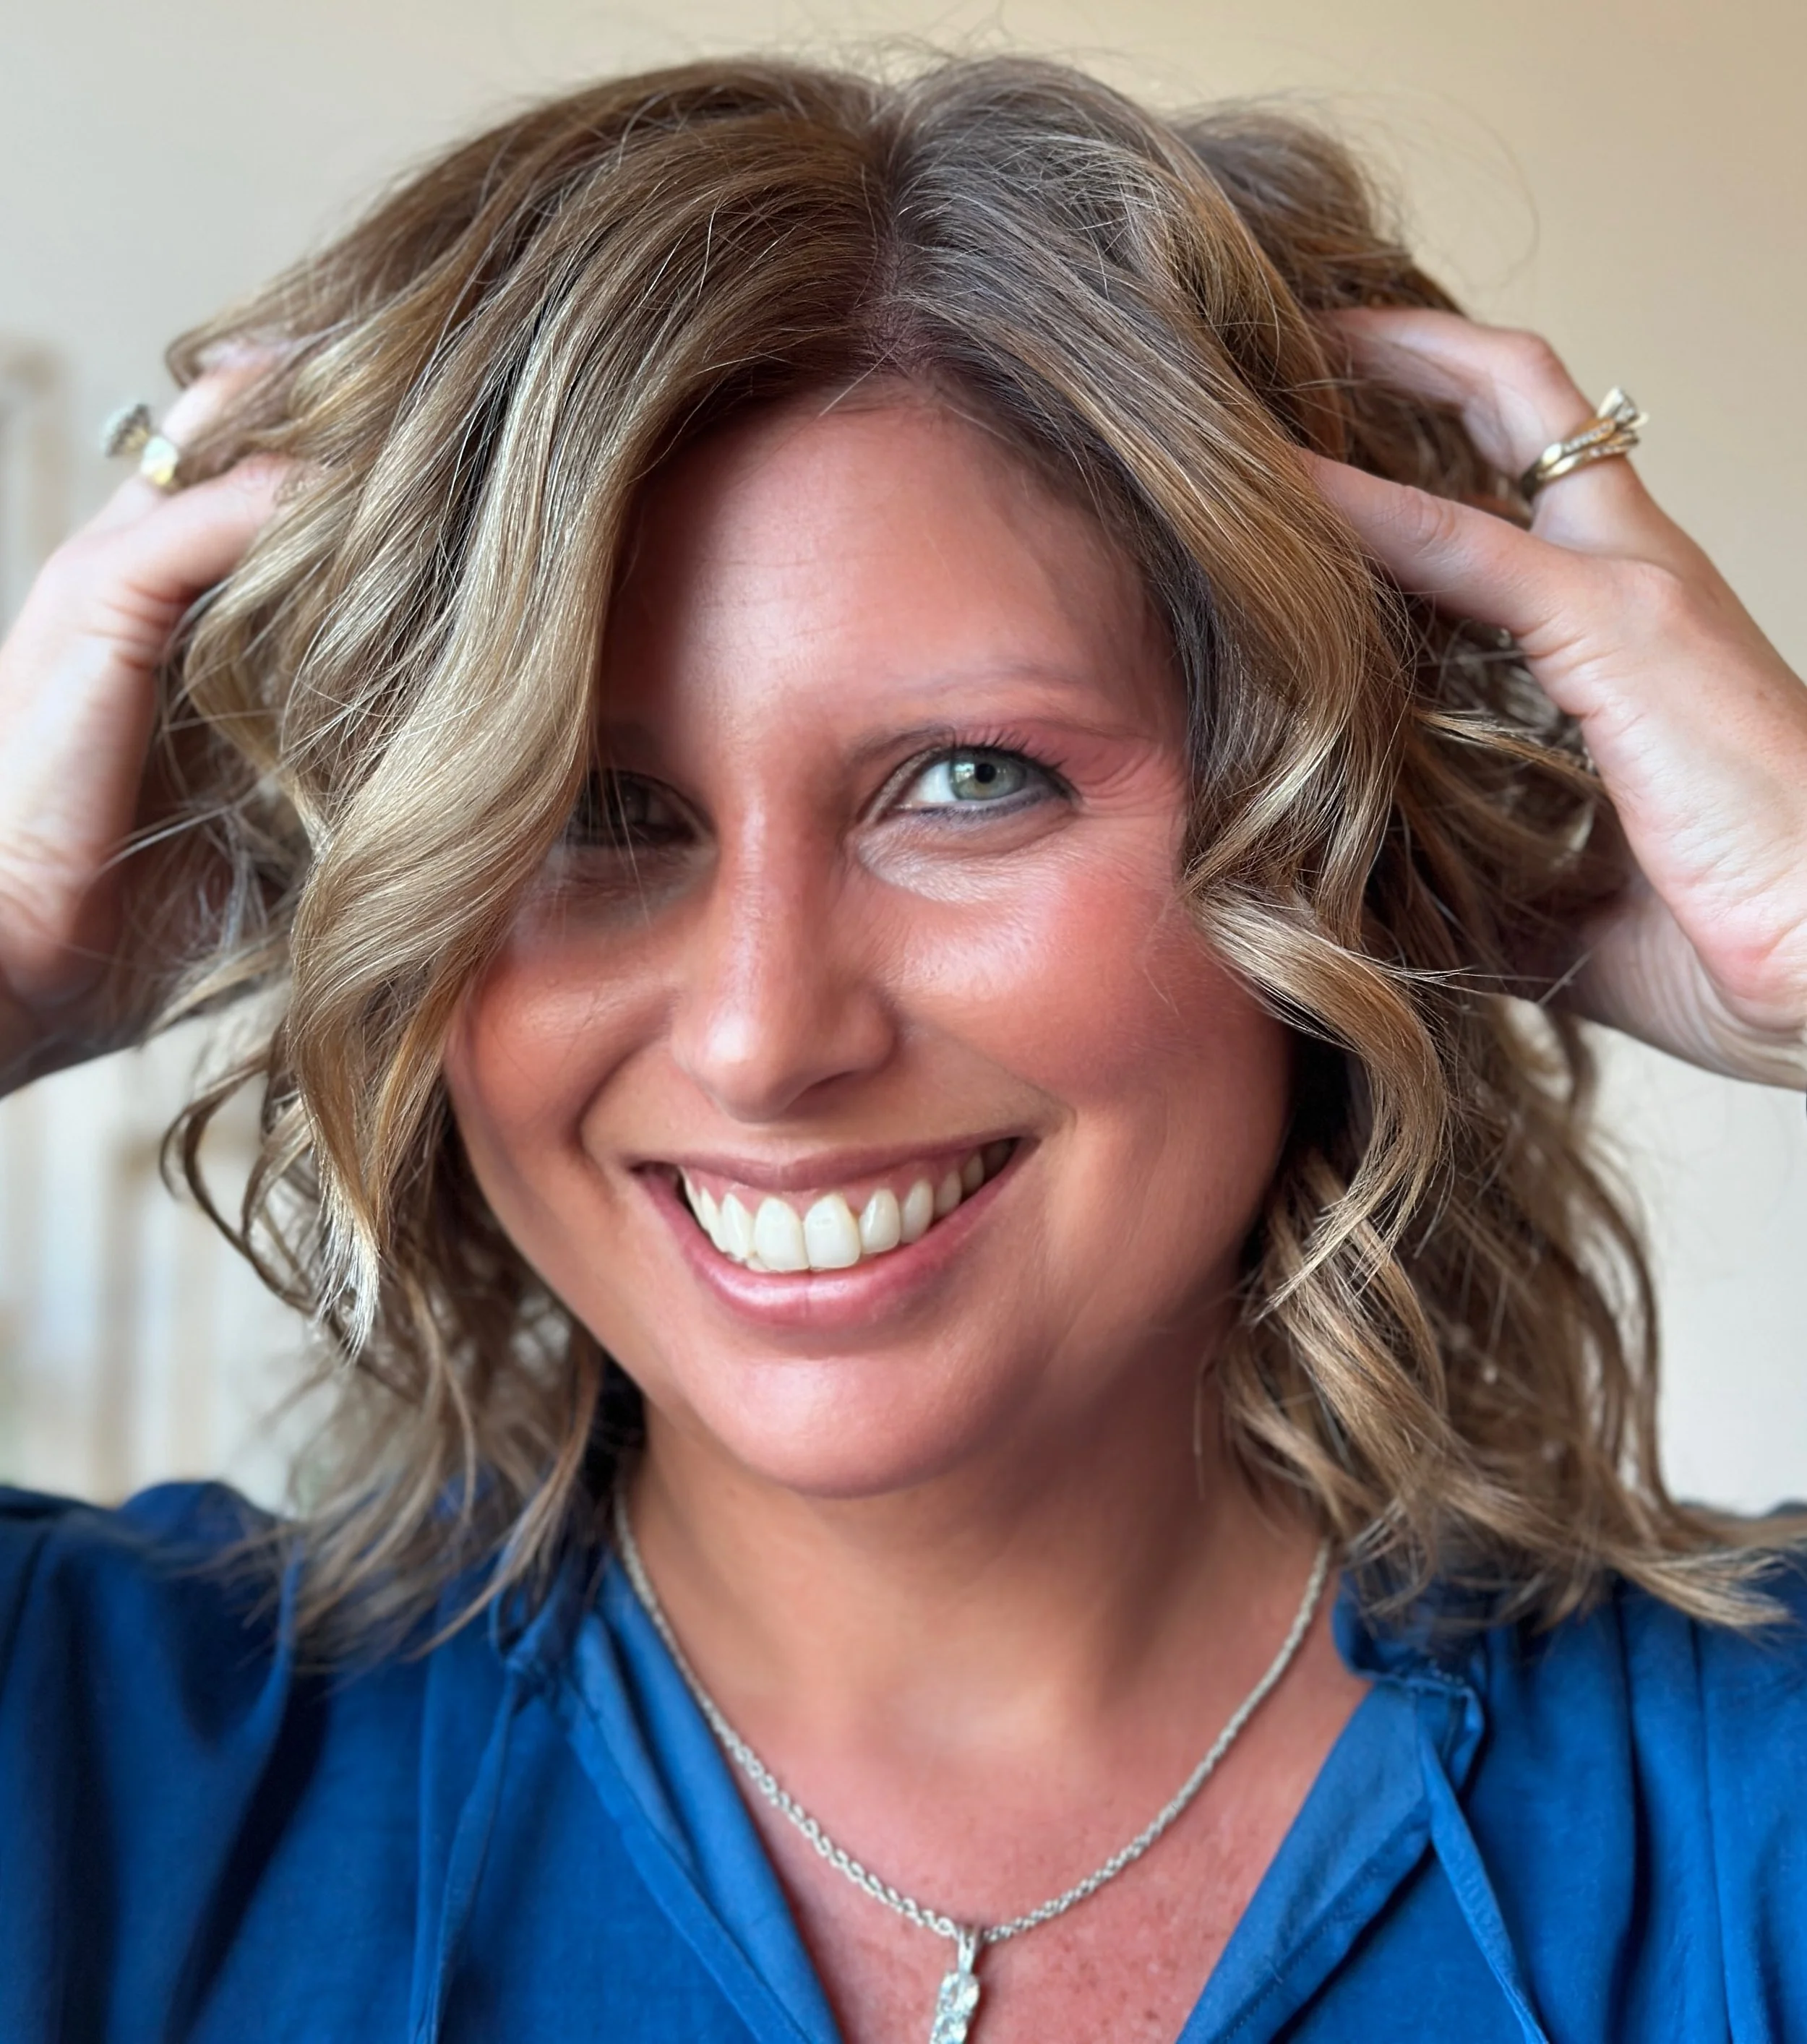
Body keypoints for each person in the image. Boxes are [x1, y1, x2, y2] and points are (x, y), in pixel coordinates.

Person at [1, 51, 1804, 2044]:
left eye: (967, 779)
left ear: (1331, 842)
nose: (769, 1033)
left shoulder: (1740, 1813)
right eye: (597, 813)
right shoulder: (93, 1767)